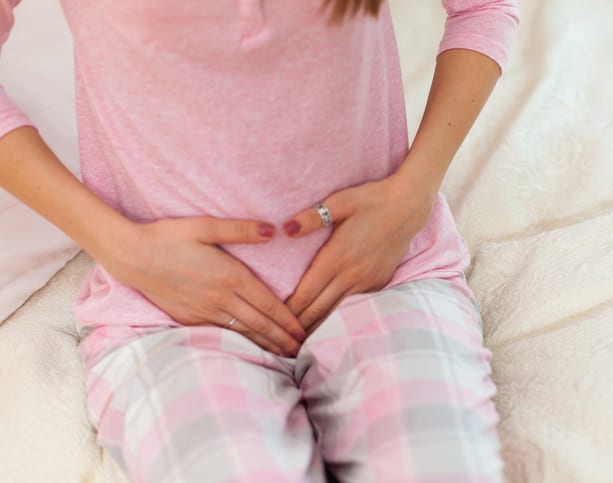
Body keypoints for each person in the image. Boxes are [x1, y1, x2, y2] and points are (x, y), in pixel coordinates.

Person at [0, 0, 519, 481]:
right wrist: (116, 244)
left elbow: (483, 7)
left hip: (386, 277)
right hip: (167, 318)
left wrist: (415, 187)